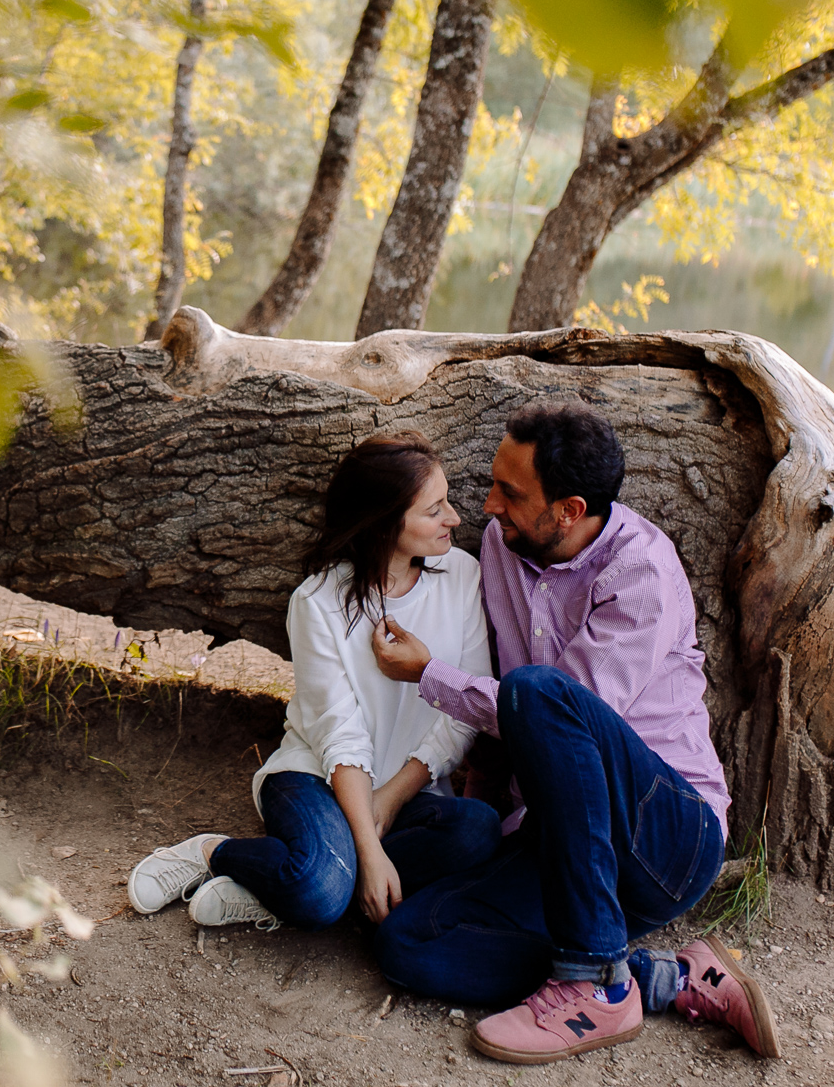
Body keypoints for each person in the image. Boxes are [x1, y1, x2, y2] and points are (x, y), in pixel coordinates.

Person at [369, 402, 780, 1064]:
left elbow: (556, 712)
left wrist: (430, 674)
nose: (489, 507)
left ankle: (589, 972)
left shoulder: (640, 574)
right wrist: (488, 807)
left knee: (540, 692)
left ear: (567, 510)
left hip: (666, 837)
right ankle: (655, 978)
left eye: (510, 492)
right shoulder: (506, 548)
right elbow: (514, 705)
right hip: (560, 838)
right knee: (407, 943)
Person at [126, 431, 501, 931]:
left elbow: (463, 709)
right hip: (318, 777)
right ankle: (214, 854)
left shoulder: (462, 575)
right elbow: (338, 735)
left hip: (408, 791)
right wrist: (369, 850)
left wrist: (388, 800)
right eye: (434, 510)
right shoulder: (319, 601)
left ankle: (281, 887)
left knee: (478, 831)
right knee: (321, 893)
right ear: (386, 522)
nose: (454, 517)